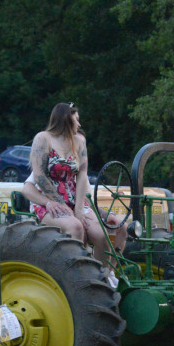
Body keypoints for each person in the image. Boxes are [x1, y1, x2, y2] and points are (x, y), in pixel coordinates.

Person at [20, 103, 126, 272]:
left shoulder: (79, 142)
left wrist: (78, 210)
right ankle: (76, 276)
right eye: (76, 119)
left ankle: (103, 277)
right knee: (76, 227)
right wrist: (60, 204)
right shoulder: (43, 138)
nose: (79, 124)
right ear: (66, 119)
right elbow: (39, 176)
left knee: (101, 235)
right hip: (50, 200)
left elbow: (82, 176)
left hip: (75, 201)